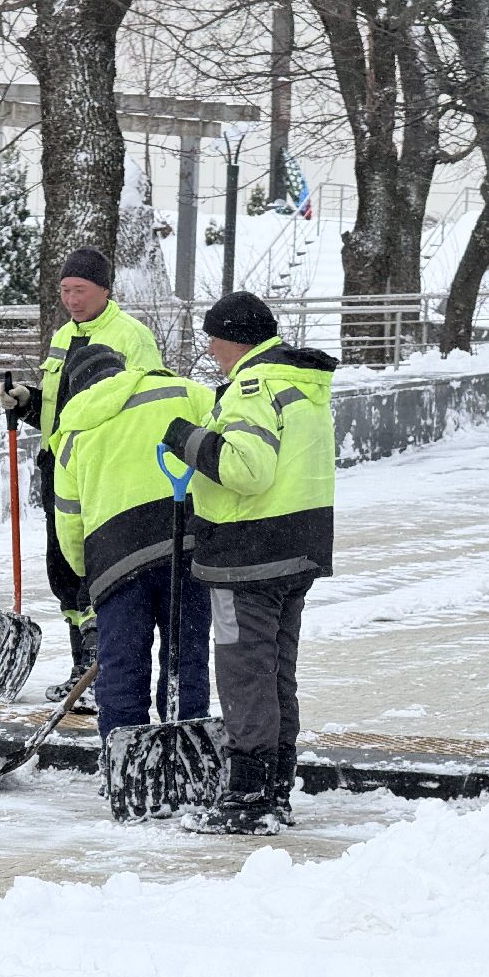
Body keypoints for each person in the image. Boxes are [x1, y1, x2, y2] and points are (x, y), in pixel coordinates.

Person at [161, 291, 337, 836]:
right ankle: (276, 788)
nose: (211, 349)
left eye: (214, 338)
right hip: (297, 547)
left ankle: (248, 798)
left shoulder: (252, 389)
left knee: (244, 673)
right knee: (276, 671)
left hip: (246, 556)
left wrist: (188, 439)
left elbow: (247, 470)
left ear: (234, 339)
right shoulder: (302, 385)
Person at [0, 247, 164, 708]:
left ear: (105, 290)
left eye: (81, 290)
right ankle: (80, 666)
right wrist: (27, 400)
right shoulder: (63, 336)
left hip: (105, 473)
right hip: (59, 467)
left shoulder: (132, 338)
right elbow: (61, 404)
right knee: (65, 570)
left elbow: (145, 406)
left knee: (98, 568)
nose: (72, 299)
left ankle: (102, 669)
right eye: (65, 290)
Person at [50, 344, 214, 746]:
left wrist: (87, 574)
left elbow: (69, 521)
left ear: (77, 389)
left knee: (122, 666)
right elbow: (222, 447)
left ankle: (124, 761)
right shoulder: (182, 392)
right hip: (185, 545)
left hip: (113, 561)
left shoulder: (72, 433)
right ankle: (185, 754)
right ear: (123, 369)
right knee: (184, 659)